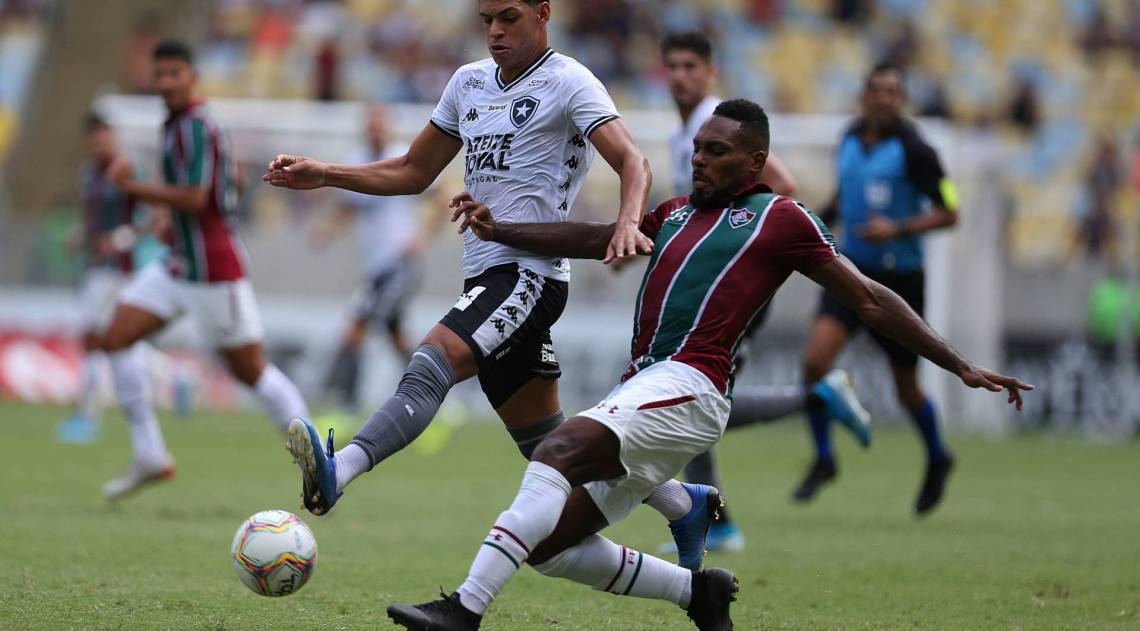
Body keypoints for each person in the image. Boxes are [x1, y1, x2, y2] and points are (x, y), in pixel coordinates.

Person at [386, 98, 1032, 630]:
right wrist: (501, 230)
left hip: (692, 385)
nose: (699, 159)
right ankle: (697, 592)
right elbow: (597, 236)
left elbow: (867, 297)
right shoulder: (674, 213)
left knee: (556, 449)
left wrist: (959, 363)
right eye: (697, 149)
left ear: (754, 162)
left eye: (716, 151)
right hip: (648, 384)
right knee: (552, 547)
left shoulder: (780, 218)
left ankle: (465, 609)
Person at [266, 0, 720, 570]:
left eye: (509, 17)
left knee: (432, 359)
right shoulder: (468, 83)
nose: (495, 31)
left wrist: (628, 221)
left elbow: (634, 160)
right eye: (486, 20)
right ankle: (683, 505)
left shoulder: (570, 82)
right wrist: (327, 173)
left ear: (543, 13)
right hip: (486, 274)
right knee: (555, 448)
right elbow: (413, 171)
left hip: (529, 275)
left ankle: (341, 470)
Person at [657, 31, 870, 555]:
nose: (680, 76)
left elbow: (784, 185)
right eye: (673, 67)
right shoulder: (685, 133)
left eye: (690, 66)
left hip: (734, 288)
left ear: (710, 72)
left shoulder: (716, 123)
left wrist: (734, 245)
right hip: (712, 285)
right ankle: (718, 524)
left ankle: (816, 397)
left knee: (697, 402)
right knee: (693, 402)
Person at [98, 40, 310, 500]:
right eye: (160, 74)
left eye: (175, 73)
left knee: (251, 371)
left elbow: (196, 197)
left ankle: (320, 466)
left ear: (192, 77)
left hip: (214, 268)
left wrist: (134, 188)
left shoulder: (197, 125)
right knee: (115, 336)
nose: (166, 82)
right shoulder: (177, 125)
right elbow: (220, 183)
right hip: (178, 265)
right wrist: (166, 219)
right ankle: (150, 454)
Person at [794, 63, 962, 514]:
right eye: (877, 90)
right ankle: (824, 457)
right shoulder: (849, 138)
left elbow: (950, 211)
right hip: (850, 272)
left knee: (906, 387)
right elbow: (844, 196)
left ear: (902, 99)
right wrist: (813, 223)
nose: (885, 98)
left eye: (893, 91)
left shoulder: (918, 150)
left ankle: (938, 455)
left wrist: (898, 228)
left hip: (898, 282)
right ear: (864, 96)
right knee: (813, 363)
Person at [312, 105, 446, 414]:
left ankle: (345, 405)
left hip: (400, 263)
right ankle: (433, 395)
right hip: (375, 267)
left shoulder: (403, 157)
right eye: (371, 126)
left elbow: (441, 199)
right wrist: (329, 228)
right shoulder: (357, 161)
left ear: (389, 128)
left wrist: (422, 237)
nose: (376, 131)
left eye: (380, 125)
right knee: (394, 334)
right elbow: (351, 207)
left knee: (357, 328)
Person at [56, 113, 147, 444]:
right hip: (95, 266)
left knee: (94, 339)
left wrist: (119, 240)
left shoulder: (126, 171)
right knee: (116, 341)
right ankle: (180, 377)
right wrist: (81, 235)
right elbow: (91, 217)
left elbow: (150, 217)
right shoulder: (89, 174)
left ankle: (88, 417)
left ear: (113, 137)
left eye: (104, 136)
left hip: (119, 269)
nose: (100, 143)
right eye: (94, 139)